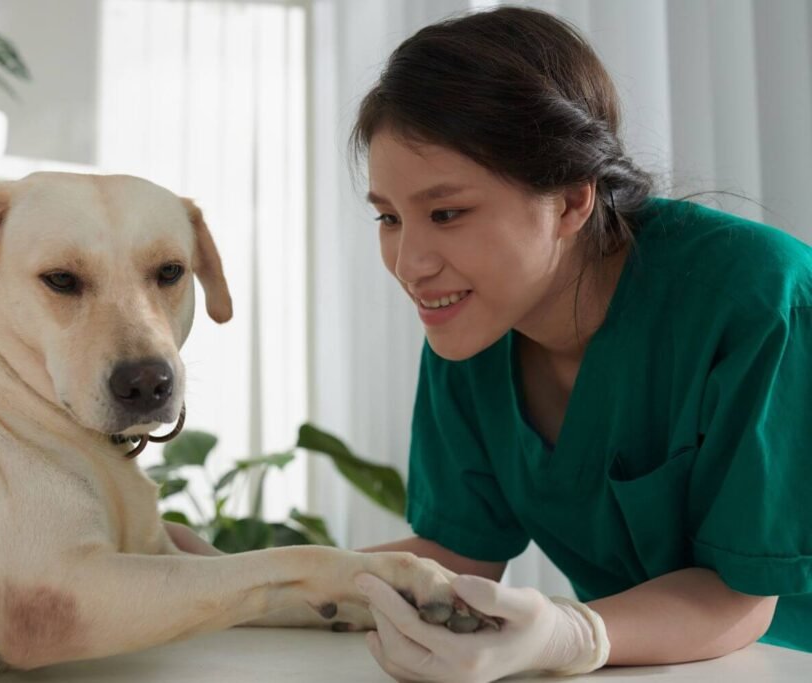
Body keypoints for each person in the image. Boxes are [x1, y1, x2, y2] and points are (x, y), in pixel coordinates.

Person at [345, 5, 812, 681]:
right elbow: (458, 551)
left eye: (446, 213)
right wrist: (260, 586)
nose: (410, 261)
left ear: (570, 201)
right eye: (389, 217)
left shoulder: (757, 300)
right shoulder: (473, 324)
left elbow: (742, 599)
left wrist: (574, 630)